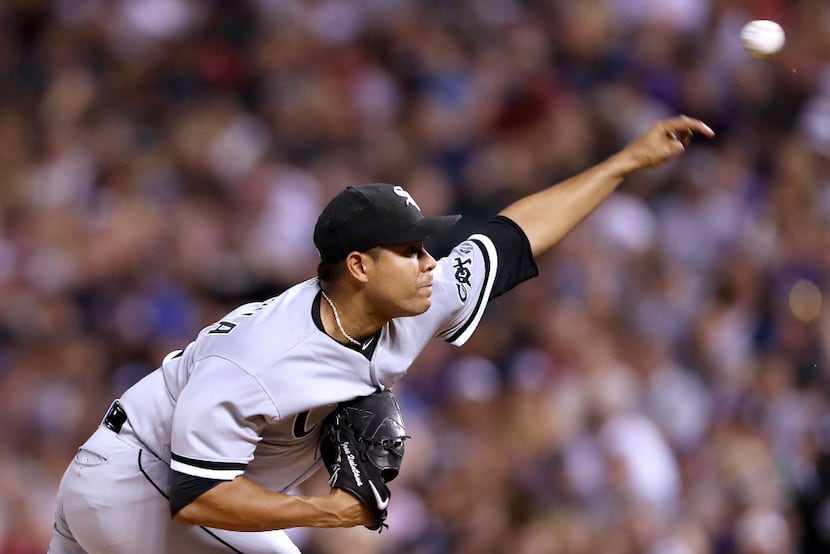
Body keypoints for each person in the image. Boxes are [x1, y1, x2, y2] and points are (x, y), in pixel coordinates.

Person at [48, 115, 714, 553]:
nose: (430, 264)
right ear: (361, 267)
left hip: (146, 486)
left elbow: (515, 234)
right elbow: (201, 498)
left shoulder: (418, 293)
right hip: (138, 480)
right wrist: (332, 514)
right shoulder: (263, 355)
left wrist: (623, 164)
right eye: (410, 250)